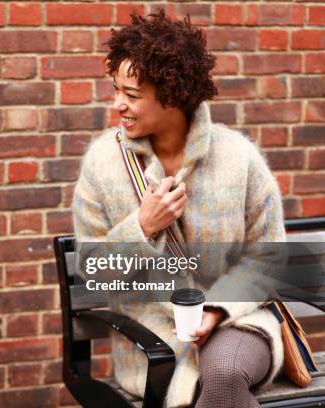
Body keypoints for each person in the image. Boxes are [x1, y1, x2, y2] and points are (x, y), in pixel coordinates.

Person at [73, 10, 284, 408]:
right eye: (115, 89)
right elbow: (93, 273)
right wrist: (142, 226)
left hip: (238, 324)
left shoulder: (238, 157)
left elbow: (268, 255)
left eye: (131, 95)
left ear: (172, 95)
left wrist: (218, 311)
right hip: (153, 342)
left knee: (221, 374)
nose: (118, 104)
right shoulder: (103, 164)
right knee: (213, 388)